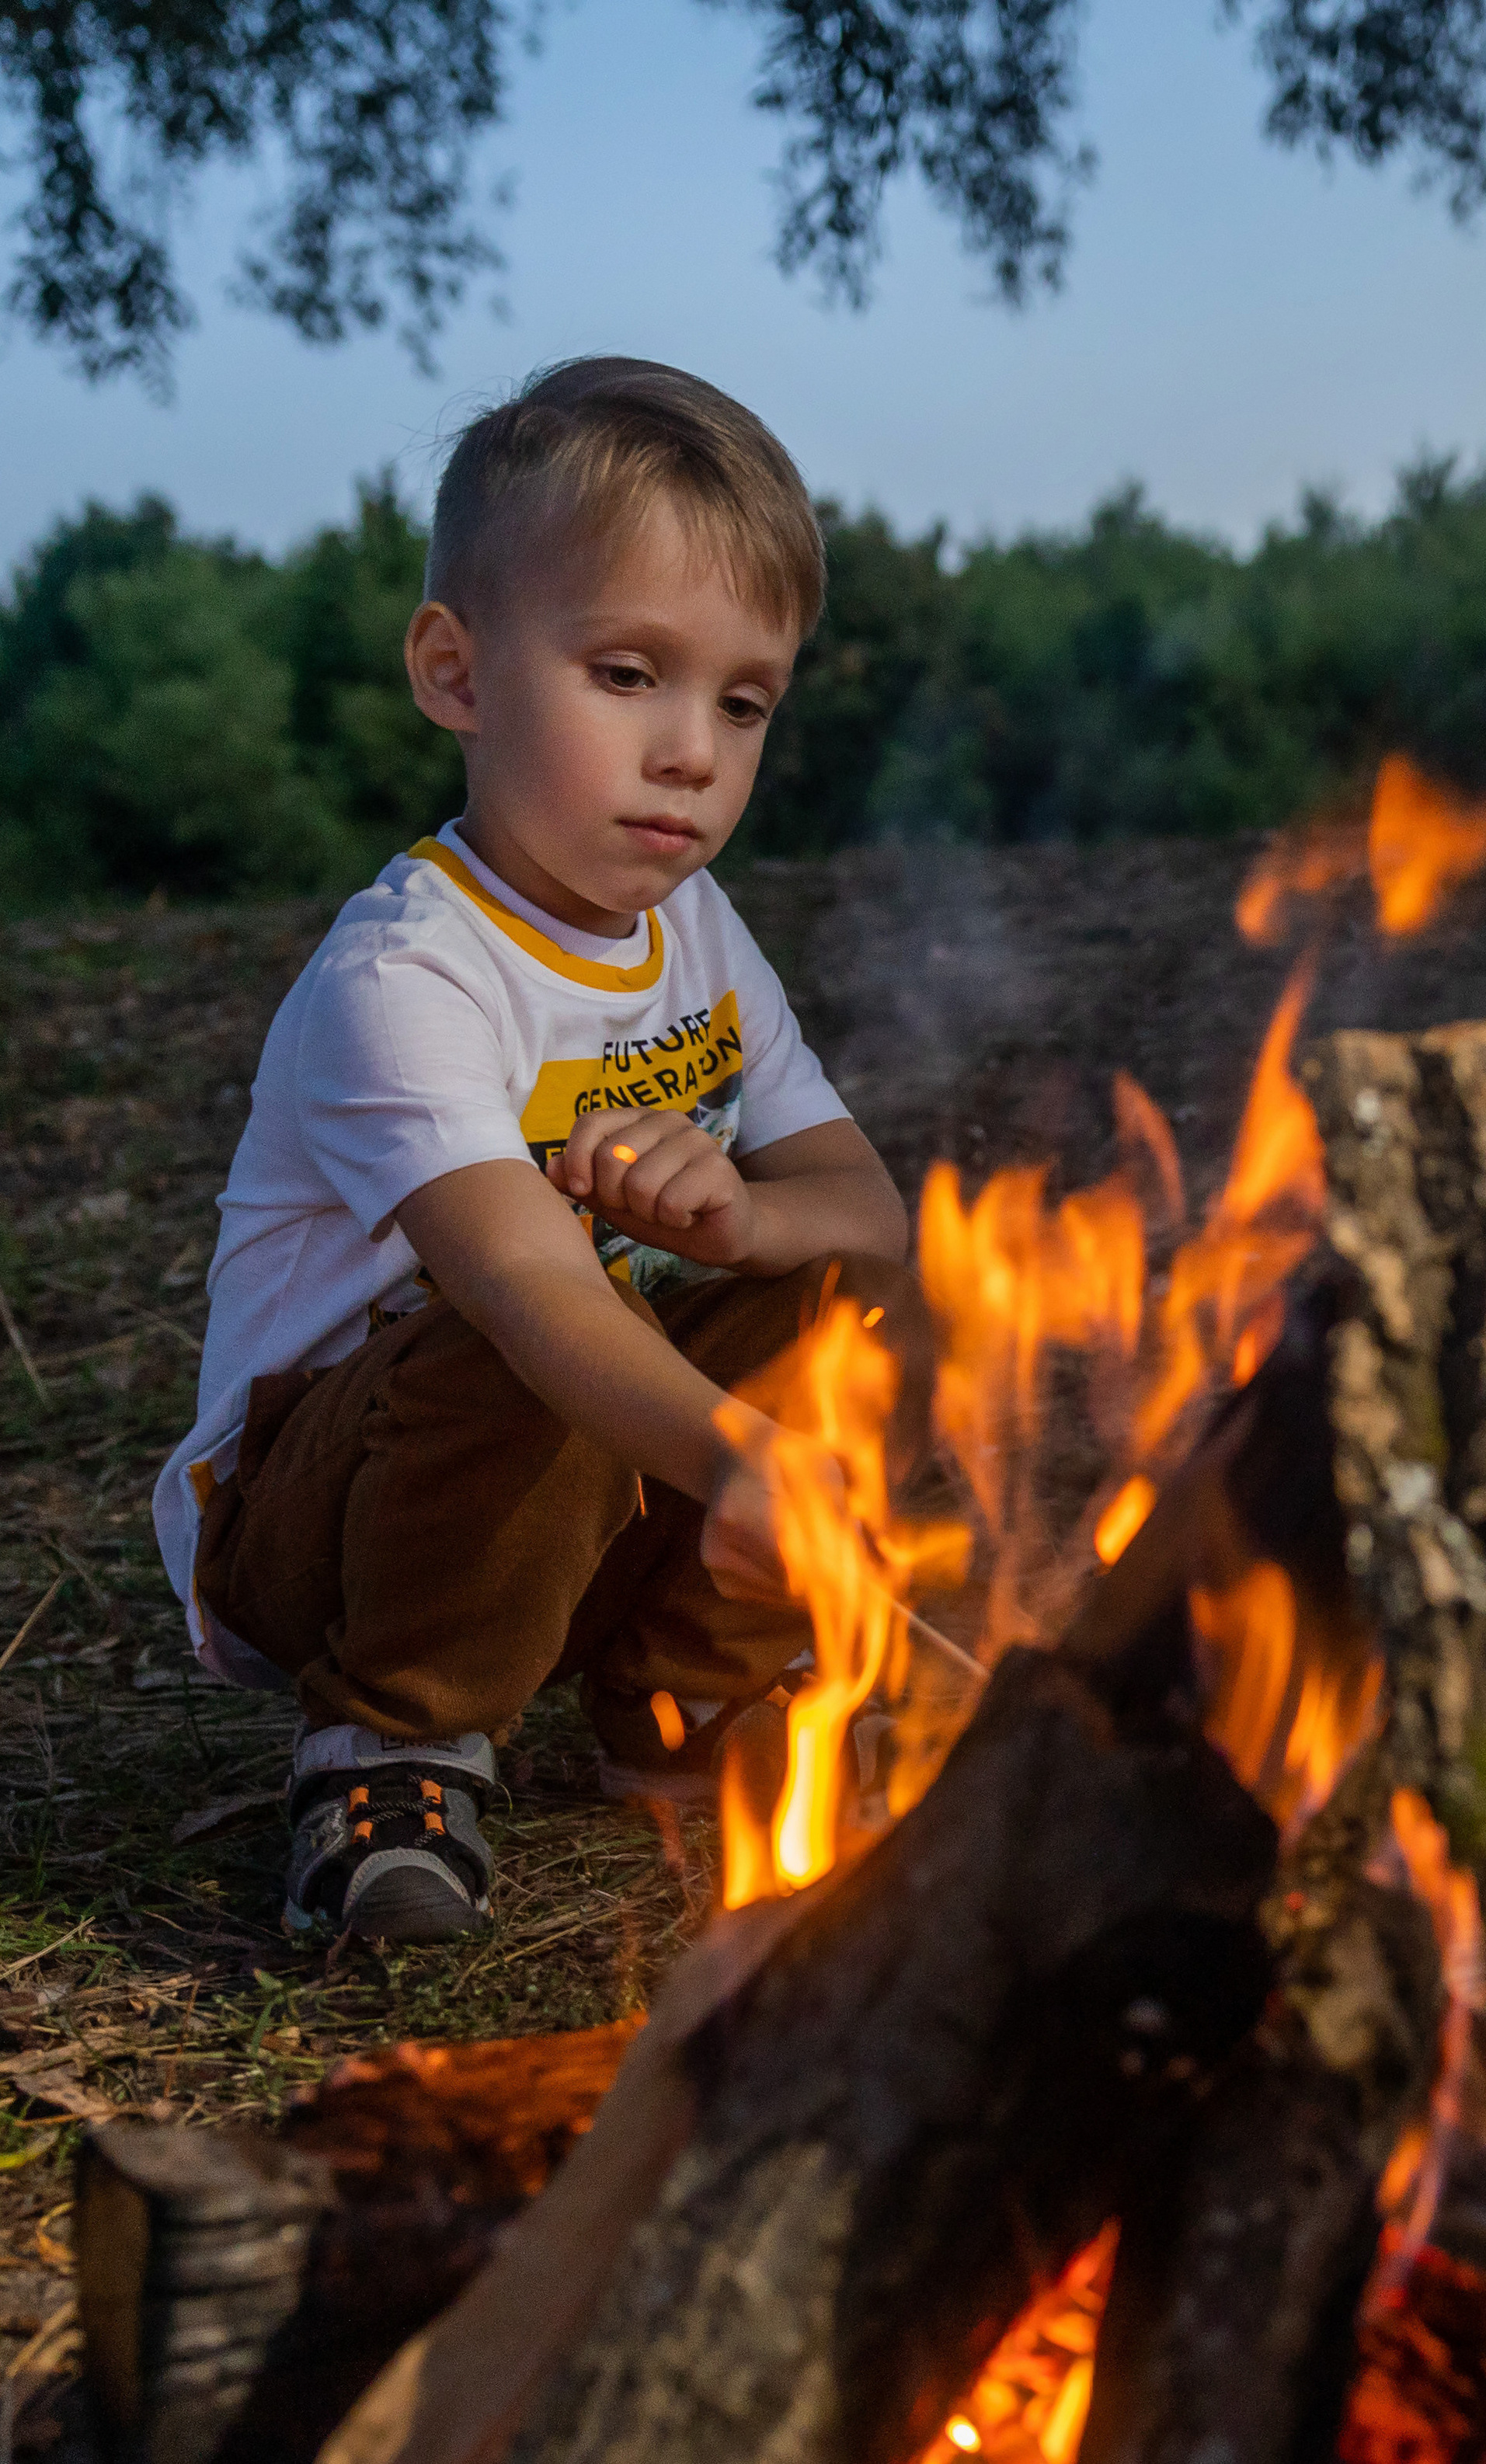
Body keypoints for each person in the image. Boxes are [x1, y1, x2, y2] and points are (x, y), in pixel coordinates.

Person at [151, 357, 930, 1944]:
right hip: (335, 1521)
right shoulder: (407, 974)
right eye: (627, 670)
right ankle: (391, 1736)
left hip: (595, 1500)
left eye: (739, 699)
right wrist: (742, 1456)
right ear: (457, 672)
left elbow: (867, 1212)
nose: (691, 752)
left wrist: (739, 1217)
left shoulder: (695, 931)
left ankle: (686, 1696)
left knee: (847, 1287)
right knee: (546, 1328)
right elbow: (527, 1297)